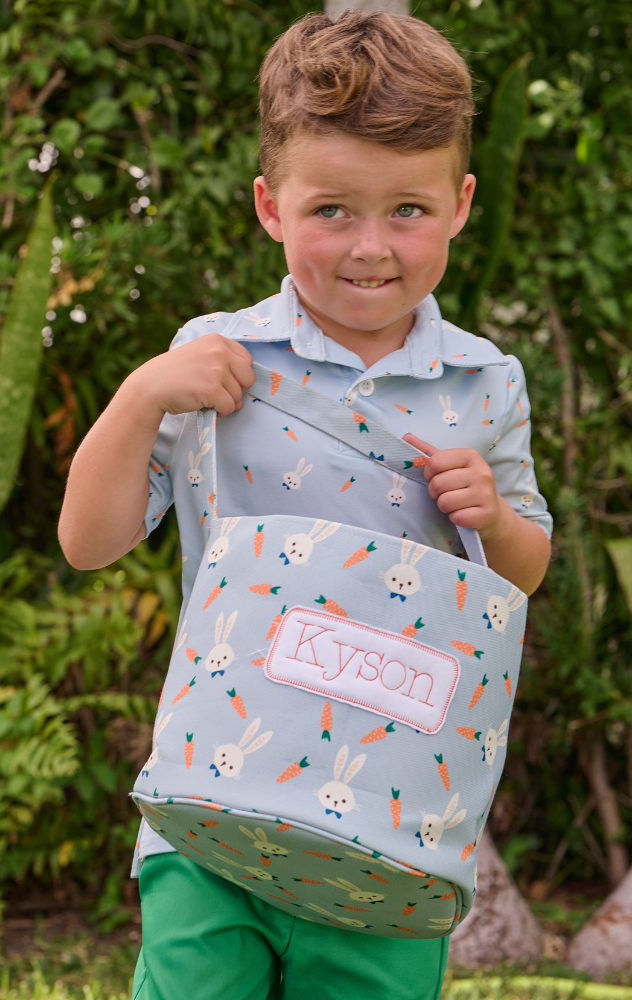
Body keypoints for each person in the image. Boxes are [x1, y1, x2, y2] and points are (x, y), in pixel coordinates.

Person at [58, 11, 552, 1000]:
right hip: (214, 797)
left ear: (459, 204)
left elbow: (523, 572)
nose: (370, 248)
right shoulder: (215, 357)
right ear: (269, 206)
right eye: (331, 210)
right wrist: (143, 391)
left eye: (406, 210)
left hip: (393, 822)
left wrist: (490, 517)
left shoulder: (481, 382)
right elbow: (87, 543)